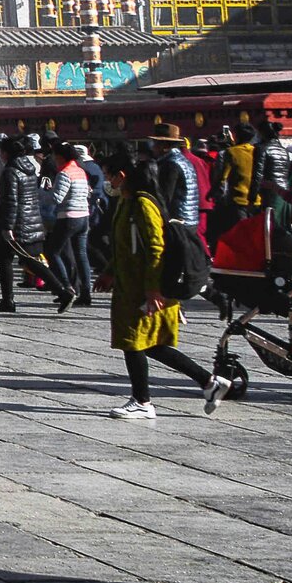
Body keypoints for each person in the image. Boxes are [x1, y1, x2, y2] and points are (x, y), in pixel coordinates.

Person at [103, 152, 224, 420]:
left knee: (134, 342)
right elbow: (125, 246)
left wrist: (153, 290)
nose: (106, 180)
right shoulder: (127, 202)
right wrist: (109, 272)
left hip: (144, 288)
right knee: (148, 344)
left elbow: (155, 248)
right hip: (129, 285)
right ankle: (209, 382)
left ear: (122, 176)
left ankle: (142, 401)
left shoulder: (143, 205)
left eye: (108, 175)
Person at [0, 134, 70, 312]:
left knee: (13, 260)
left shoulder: (11, 171)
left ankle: (9, 300)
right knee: (26, 260)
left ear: (6, 153)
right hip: (31, 221)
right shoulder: (29, 168)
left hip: (17, 223)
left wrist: (7, 227)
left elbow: (11, 201)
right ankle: (9, 299)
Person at [48, 142, 95, 309]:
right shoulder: (80, 171)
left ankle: (67, 287)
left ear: (60, 157)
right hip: (84, 216)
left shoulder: (64, 173)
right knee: (81, 254)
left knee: (52, 252)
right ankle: (86, 293)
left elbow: (57, 198)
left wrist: (46, 192)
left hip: (68, 217)